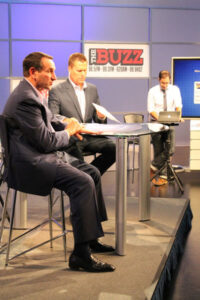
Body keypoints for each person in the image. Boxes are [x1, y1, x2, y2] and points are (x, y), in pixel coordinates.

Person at [3, 52, 115, 272]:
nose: (55, 76)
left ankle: (90, 238)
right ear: (34, 73)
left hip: (42, 155)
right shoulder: (26, 98)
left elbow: (52, 119)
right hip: (32, 163)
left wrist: (70, 123)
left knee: (91, 172)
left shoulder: (32, 92)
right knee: (83, 182)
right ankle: (80, 256)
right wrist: (70, 132)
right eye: (50, 71)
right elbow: (46, 142)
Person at [48, 52, 116, 175]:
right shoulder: (57, 91)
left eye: (85, 70)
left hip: (90, 136)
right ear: (69, 68)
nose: (83, 74)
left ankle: (89, 176)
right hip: (72, 137)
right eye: (79, 70)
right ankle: (87, 178)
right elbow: (53, 117)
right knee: (76, 156)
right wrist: (68, 121)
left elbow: (98, 119)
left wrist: (101, 116)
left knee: (114, 148)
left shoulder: (92, 89)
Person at [147, 70, 182, 185]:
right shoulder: (152, 91)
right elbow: (151, 110)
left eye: (167, 83)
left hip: (170, 123)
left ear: (169, 80)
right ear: (159, 80)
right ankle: (160, 178)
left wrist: (177, 116)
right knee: (158, 151)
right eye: (163, 83)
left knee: (170, 149)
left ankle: (152, 167)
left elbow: (178, 106)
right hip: (156, 124)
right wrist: (161, 119)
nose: (165, 85)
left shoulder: (175, 90)